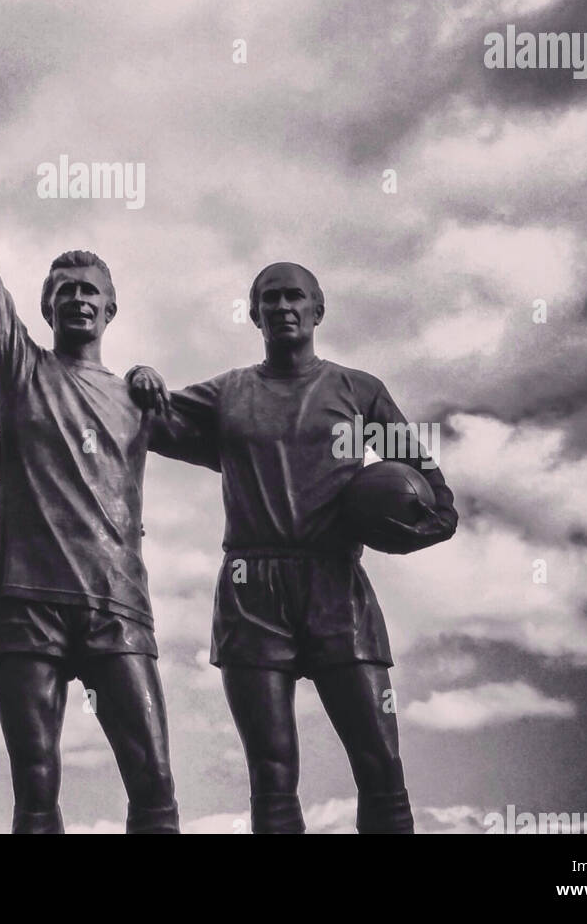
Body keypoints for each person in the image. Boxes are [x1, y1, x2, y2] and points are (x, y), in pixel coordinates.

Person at [128, 261, 457, 835]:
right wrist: (139, 375)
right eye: (270, 299)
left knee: (381, 766)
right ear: (253, 314)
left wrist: (397, 526)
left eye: (294, 297)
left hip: (336, 583)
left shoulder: (359, 392)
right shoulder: (229, 393)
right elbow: (146, 420)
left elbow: (440, 504)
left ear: (317, 310)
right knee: (272, 775)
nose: (283, 307)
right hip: (251, 589)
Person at [0, 102, 184, 834]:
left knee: (155, 781)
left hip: (116, 599)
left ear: (111, 308)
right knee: (37, 787)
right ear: (45, 306)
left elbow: (241, 441)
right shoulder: (23, 369)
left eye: (90, 290)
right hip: (27, 598)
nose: (77, 297)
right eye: (64, 289)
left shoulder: (142, 399)